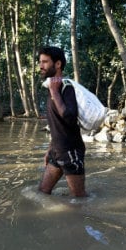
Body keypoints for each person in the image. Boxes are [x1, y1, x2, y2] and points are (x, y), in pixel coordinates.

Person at [38, 46, 87, 197]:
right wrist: (50, 149)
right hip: (56, 152)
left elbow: (70, 118)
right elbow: (57, 125)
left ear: (58, 64)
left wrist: (54, 92)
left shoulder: (67, 88)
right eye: (40, 62)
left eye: (45, 62)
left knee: (80, 201)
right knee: (42, 193)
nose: (41, 66)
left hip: (70, 151)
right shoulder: (52, 87)